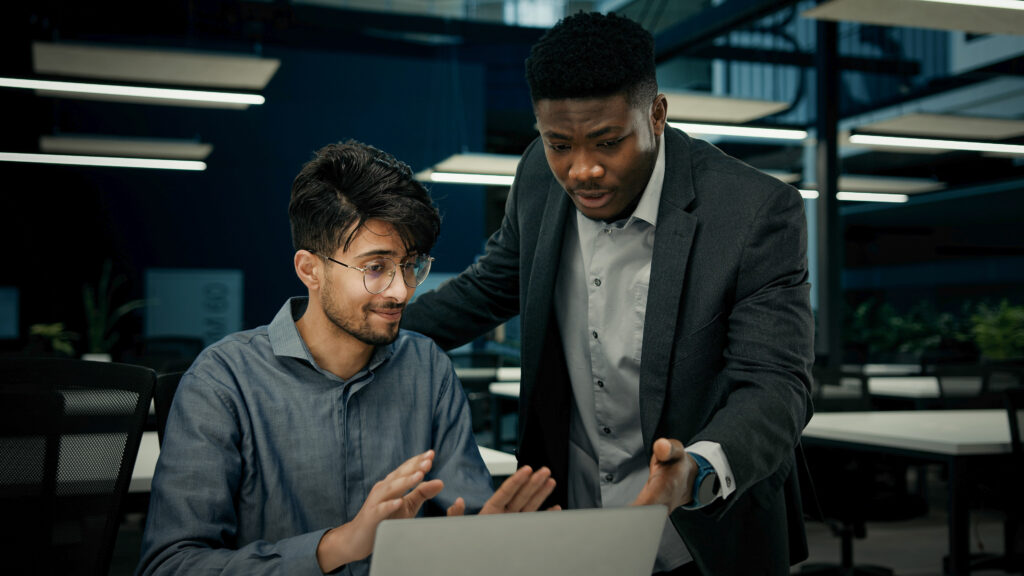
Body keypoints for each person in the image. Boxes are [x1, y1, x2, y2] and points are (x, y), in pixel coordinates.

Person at [402, 11, 814, 576]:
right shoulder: (538, 175)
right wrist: (365, 332)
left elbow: (774, 384)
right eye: (559, 144)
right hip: (568, 518)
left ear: (657, 114)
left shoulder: (753, 213)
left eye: (607, 141)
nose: (582, 170)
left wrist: (693, 469)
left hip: (702, 533)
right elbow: (492, 285)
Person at [136, 140, 557, 576]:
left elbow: (464, 517)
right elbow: (170, 566)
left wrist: (482, 542)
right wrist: (340, 545)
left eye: (411, 265)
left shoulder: (427, 369)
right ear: (310, 269)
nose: (401, 290)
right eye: (375, 268)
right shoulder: (224, 381)